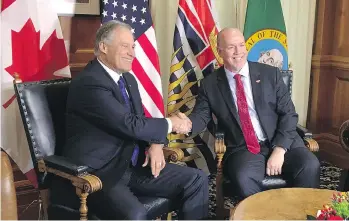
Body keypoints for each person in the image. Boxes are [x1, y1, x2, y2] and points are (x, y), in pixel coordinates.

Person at [50, 20, 208, 220]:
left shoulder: (128, 79)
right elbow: (129, 124)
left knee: (196, 179)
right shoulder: (90, 83)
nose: (132, 52)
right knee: (135, 214)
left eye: (133, 46)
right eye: (125, 46)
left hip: (132, 164)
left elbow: (139, 120)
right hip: (100, 172)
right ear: (103, 47)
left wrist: (156, 143)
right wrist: (172, 123)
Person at [179, 28, 320, 199]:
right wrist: (186, 124)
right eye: (231, 47)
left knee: (309, 165)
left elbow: (289, 114)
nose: (238, 52)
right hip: (244, 147)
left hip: (281, 141)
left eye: (241, 45)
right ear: (220, 51)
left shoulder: (270, 74)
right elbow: (201, 116)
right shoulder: (210, 84)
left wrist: (280, 149)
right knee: (243, 177)